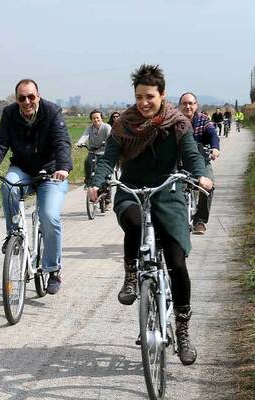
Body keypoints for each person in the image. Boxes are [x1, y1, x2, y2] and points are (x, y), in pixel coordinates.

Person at [88, 65, 213, 365]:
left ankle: (182, 329)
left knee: (177, 262)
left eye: (150, 96)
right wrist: (95, 183)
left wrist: (200, 175)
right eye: (139, 97)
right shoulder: (124, 125)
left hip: (167, 193)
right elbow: (107, 160)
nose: (144, 103)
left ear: (162, 95)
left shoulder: (177, 123)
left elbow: (192, 154)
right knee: (132, 221)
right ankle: (131, 274)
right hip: (131, 189)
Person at [0, 79, 72, 294]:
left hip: (50, 171)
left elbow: (62, 142)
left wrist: (63, 168)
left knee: (49, 216)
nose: (27, 101)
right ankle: (13, 234)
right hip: (22, 167)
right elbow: (0, 142)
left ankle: (52, 269)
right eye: (22, 98)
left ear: (38, 96)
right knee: (9, 186)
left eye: (31, 96)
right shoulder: (9, 114)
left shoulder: (52, 111)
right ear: (17, 99)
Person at [178, 92, 220, 234]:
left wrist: (215, 148)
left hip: (202, 161)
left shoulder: (203, 119)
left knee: (208, 186)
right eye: (184, 103)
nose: (188, 106)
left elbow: (212, 134)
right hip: (179, 162)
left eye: (191, 103)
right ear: (179, 106)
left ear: (196, 105)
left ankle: (200, 220)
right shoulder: (173, 121)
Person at [75, 110, 112, 187]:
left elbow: (110, 137)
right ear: (91, 119)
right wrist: (79, 143)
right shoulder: (89, 128)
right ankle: (88, 181)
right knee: (87, 162)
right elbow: (84, 136)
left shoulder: (107, 127)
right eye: (93, 118)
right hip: (93, 151)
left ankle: (106, 186)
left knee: (103, 168)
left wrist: (108, 143)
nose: (96, 120)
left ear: (101, 118)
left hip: (104, 151)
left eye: (97, 118)